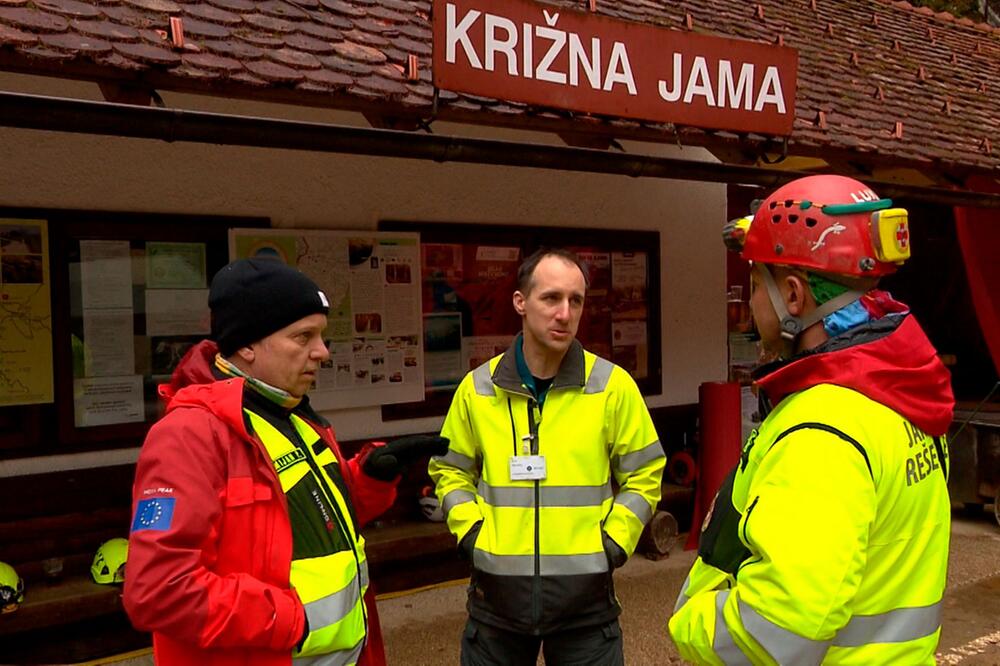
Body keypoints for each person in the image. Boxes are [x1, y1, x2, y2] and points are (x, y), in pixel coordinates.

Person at [669, 174, 955, 664]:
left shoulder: (822, 432)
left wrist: (689, 622)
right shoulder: (900, 392)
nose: (750, 305)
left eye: (757, 285)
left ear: (795, 298)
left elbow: (774, 630)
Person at [123, 257, 448, 666]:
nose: (322, 352)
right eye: (303, 337)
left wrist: (367, 477)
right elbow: (159, 590)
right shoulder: (189, 436)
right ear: (246, 344)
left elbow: (300, 522)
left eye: (321, 335)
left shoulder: (291, 414)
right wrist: (292, 620)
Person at [429, 248, 665, 665]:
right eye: (551, 298)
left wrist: (611, 544)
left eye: (575, 300)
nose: (565, 313)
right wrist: (472, 536)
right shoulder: (478, 389)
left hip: (586, 605)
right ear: (520, 302)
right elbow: (450, 470)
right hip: (497, 604)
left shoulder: (611, 387)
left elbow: (645, 473)